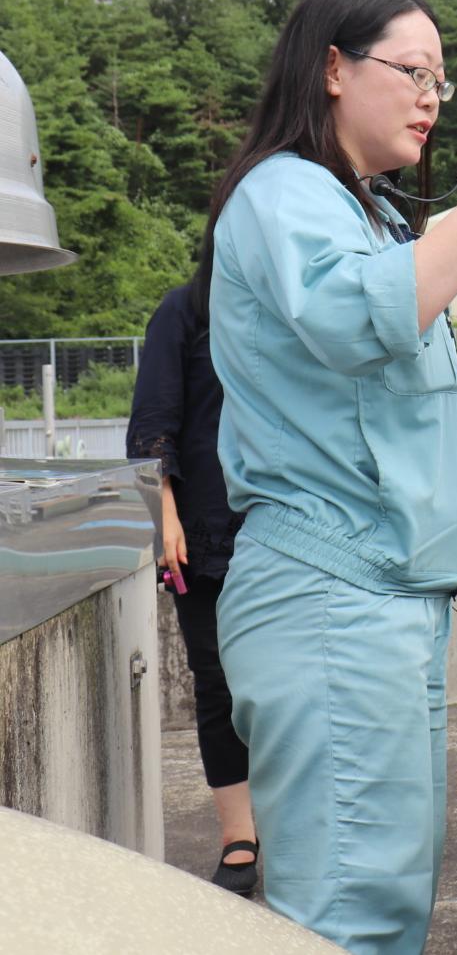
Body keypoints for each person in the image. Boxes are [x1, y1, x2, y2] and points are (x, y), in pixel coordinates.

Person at [205, 0, 457, 955]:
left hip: (373, 596)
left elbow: (351, 408)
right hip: (331, 597)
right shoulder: (285, 190)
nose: (429, 96)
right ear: (332, 67)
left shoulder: (359, 211)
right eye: (412, 71)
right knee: (349, 913)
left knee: (383, 896)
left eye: (440, 81)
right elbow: (344, 318)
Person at [129, 279, 258, 896]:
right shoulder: (183, 308)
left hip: (288, 525)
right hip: (203, 530)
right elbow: (154, 419)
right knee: (216, 681)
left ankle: (295, 825)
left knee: (292, 685)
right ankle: (240, 838)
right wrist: (166, 517)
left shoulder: (293, 301)